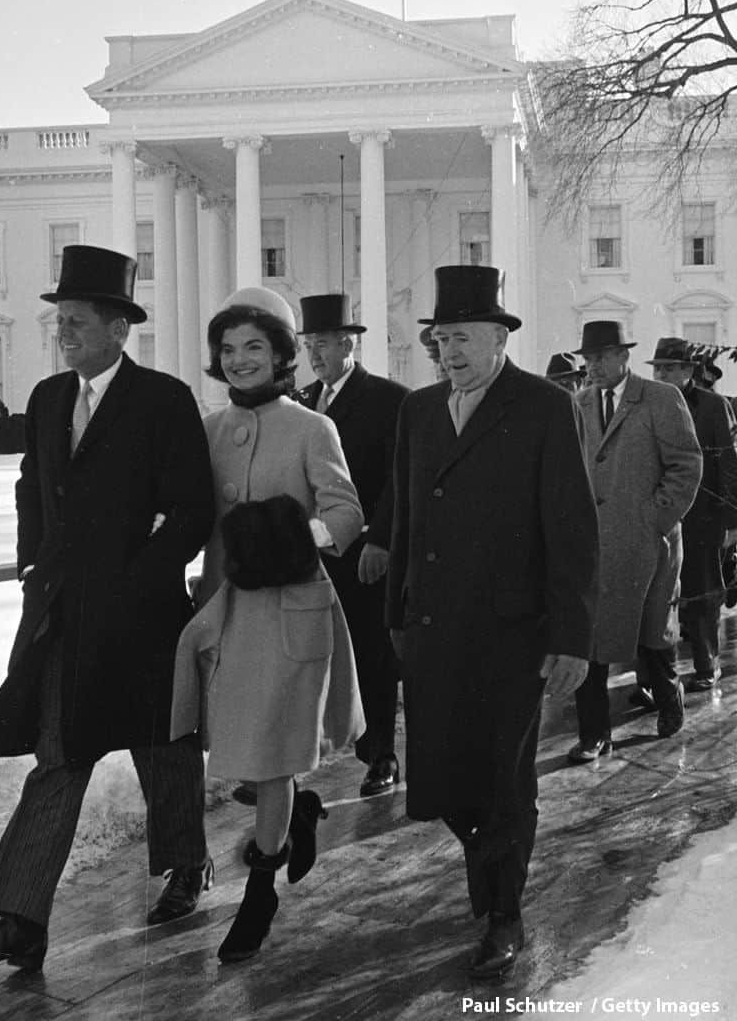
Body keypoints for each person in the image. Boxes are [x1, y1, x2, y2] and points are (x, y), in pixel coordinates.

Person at [0, 245, 216, 970]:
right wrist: (32, 557)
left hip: (147, 618)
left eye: (78, 321)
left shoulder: (163, 400)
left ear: (119, 329)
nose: (64, 333)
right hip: (66, 616)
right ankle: (20, 921)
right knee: (59, 758)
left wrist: (142, 576)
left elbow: (194, 511)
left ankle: (185, 866)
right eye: (60, 320)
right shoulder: (47, 399)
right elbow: (32, 484)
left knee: (166, 751)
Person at [385, 265, 599, 981]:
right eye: (441, 339)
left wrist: (572, 637)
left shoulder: (541, 406)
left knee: (505, 781)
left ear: (501, 337)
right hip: (434, 628)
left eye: (465, 338)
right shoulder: (417, 412)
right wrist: (396, 617)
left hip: (514, 632)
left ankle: (505, 914)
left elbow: (570, 528)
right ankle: (488, 864)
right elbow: (406, 520)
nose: (450, 352)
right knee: (442, 777)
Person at [181, 286, 364, 962]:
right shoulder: (206, 429)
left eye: (254, 346)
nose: (238, 360)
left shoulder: (313, 428)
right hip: (226, 613)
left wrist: (295, 535)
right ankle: (296, 817)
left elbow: (347, 515)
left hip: (291, 613)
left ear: (283, 354)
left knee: (274, 753)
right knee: (251, 758)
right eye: (227, 349)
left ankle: (259, 895)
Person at [566, 321, 701, 763]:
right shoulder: (579, 404)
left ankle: (669, 697)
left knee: (651, 635)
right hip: (593, 546)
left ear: (624, 357)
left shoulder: (661, 399)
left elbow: (686, 466)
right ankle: (594, 734)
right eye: (588, 359)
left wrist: (654, 519)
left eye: (602, 356)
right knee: (591, 640)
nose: (593, 367)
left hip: (648, 544)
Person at [295, 292, 408, 796]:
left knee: (371, 656)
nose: (314, 354)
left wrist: (381, 541)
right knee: (310, 656)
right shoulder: (301, 402)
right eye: (308, 344)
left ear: (348, 343)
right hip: (312, 559)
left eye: (322, 343)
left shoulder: (388, 399)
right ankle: (299, 756)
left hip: (362, 556)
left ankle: (380, 754)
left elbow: (397, 481)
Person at [647, 337, 737, 692]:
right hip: (661, 516)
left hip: (704, 518)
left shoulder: (713, 407)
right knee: (659, 594)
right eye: (658, 368)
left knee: (703, 592)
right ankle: (656, 678)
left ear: (688, 371)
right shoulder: (648, 404)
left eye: (669, 367)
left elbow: (729, 464)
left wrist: (732, 522)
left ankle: (706, 664)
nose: (663, 374)